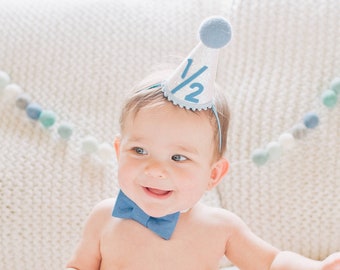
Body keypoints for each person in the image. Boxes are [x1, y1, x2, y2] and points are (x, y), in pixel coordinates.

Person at [66, 17, 340, 270]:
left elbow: (272, 261)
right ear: (118, 151)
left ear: (213, 174)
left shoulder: (220, 227)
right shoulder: (105, 217)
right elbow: (78, 266)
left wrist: (312, 267)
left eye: (178, 158)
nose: (155, 170)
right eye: (139, 150)